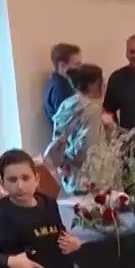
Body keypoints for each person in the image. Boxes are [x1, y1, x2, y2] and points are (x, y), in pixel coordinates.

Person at [44, 63, 110, 191]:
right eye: (102, 80)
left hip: (69, 176)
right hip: (90, 179)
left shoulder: (67, 104)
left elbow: (58, 137)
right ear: (94, 84)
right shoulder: (92, 110)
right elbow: (90, 148)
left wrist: (65, 162)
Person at [42, 42, 82, 139]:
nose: (80, 68)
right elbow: (68, 121)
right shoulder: (61, 88)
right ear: (62, 65)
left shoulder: (56, 83)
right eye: (77, 64)